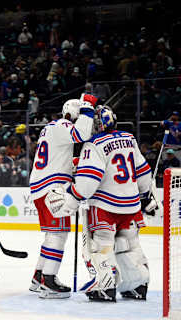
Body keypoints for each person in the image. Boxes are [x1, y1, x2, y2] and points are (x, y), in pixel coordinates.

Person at [50, 106, 156, 302]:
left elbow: (88, 181)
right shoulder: (129, 138)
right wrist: (146, 195)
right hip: (131, 204)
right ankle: (137, 284)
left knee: (100, 245)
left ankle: (104, 286)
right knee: (129, 244)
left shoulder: (94, 144)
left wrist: (72, 197)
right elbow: (142, 170)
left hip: (105, 205)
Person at [29, 94, 96, 298]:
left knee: (52, 234)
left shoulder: (52, 128)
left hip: (42, 185)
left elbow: (59, 155)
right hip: (52, 187)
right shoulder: (63, 125)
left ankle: (39, 276)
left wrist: (72, 164)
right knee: (58, 235)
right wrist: (88, 107)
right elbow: (82, 133)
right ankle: (49, 281)